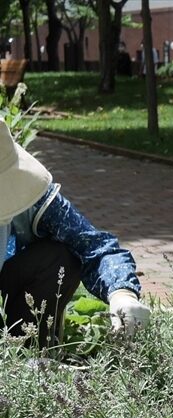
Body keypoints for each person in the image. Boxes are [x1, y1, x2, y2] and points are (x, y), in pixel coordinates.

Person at [0, 122, 150, 345]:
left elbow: (94, 246)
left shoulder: (33, 199)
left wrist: (122, 293)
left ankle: (30, 349)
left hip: (9, 300)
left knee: (60, 257)